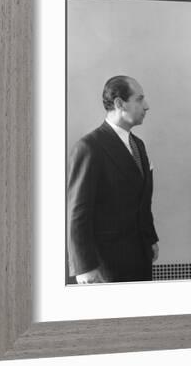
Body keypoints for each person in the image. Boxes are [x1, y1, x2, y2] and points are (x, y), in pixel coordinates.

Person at [67, 76, 159, 284]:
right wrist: (84, 267)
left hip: (140, 256)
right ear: (119, 103)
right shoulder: (89, 147)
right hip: (107, 265)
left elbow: (142, 201)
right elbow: (77, 212)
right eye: (139, 99)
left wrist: (150, 238)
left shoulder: (138, 145)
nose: (146, 106)